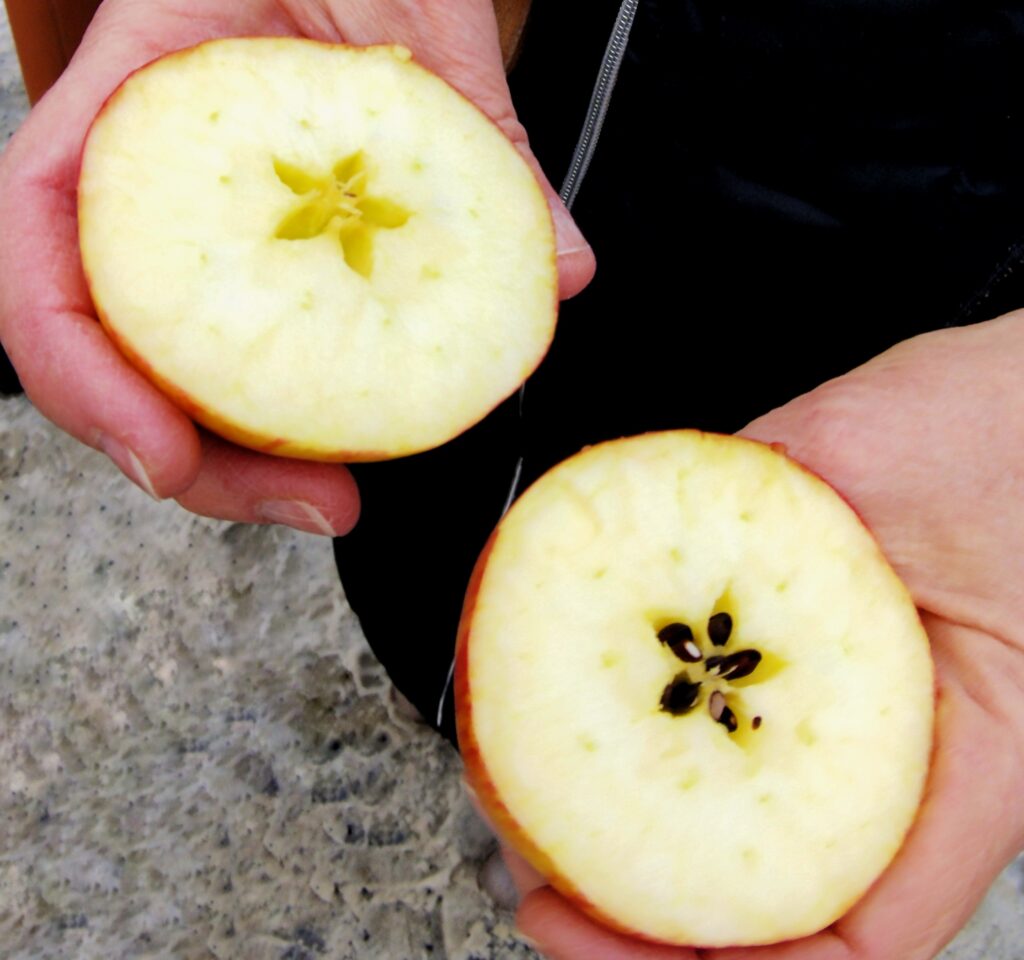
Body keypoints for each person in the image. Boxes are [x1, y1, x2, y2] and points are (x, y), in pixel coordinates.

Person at [2, 2, 1023, 958]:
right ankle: (460, 713)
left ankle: (531, 780)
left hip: (970, 324)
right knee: (441, 561)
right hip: (571, 83)